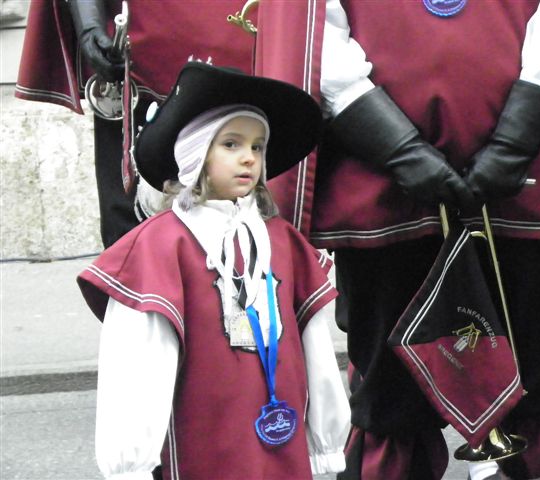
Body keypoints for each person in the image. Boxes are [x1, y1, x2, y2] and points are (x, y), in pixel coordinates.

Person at [254, 1, 540, 479]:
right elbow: (318, 40)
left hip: (522, 181)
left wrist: (513, 145)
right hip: (379, 187)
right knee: (391, 393)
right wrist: (399, 150)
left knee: (538, 372)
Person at [76, 61, 350, 480]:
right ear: (196, 154)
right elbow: (139, 361)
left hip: (281, 430)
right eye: (231, 144)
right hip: (204, 432)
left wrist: (326, 438)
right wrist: (130, 461)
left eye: (257, 146)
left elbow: (314, 347)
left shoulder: (280, 240)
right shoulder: (163, 245)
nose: (249, 157)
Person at [15, 0, 254, 247]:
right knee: (130, 230)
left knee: (244, 217)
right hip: (134, 58)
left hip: (236, 42)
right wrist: (89, 25)